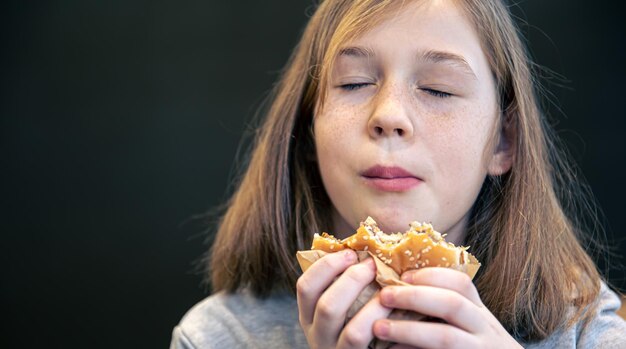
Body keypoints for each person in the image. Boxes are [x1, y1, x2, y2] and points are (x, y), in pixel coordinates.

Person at [170, 0, 626, 348]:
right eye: (353, 83)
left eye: (438, 88)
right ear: (308, 130)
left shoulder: (585, 330)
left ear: (503, 141)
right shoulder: (218, 336)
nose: (389, 115)